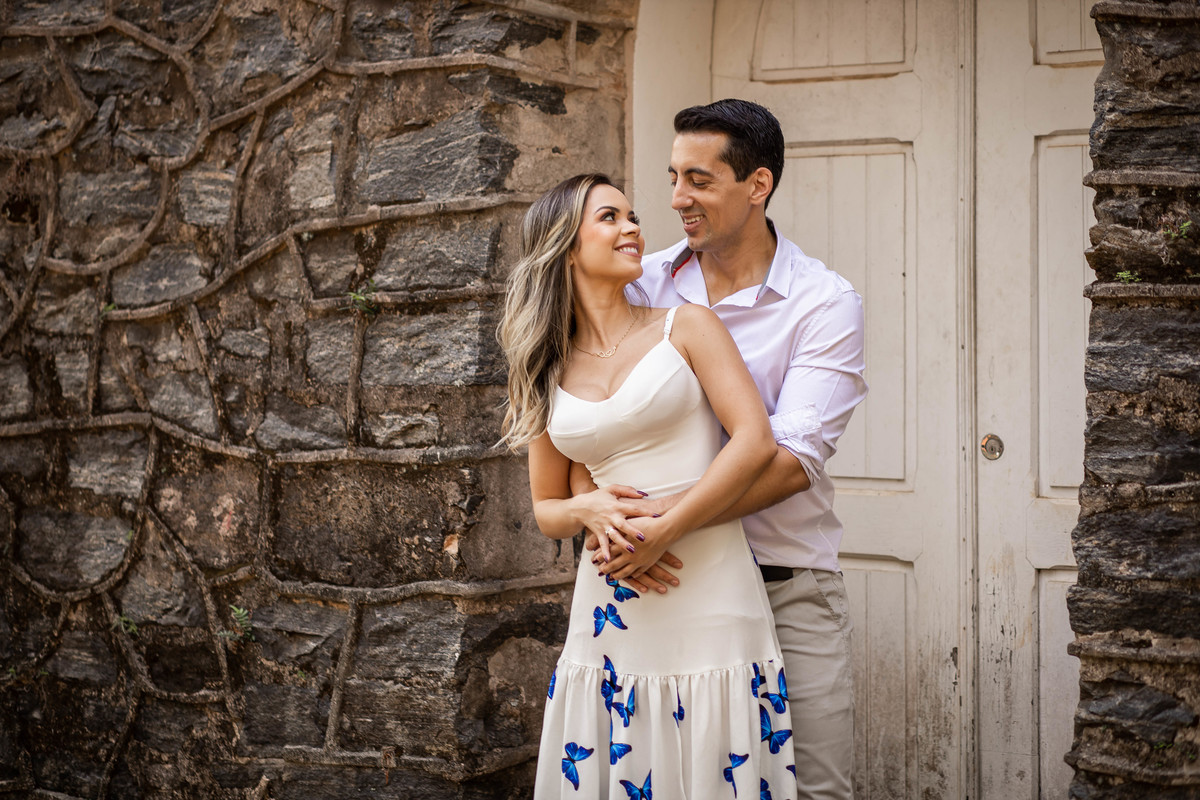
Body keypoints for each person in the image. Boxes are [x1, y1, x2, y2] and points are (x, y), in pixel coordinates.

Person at [577, 100, 867, 799]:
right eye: (674, 178)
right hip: (669, 584)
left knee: (814, 789)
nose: (677, 199)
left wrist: (661, 522)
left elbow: (791, 463)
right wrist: (592, 507)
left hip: (784, 584)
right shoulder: (641, 279)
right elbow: (585, 398)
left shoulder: (822, 303)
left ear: (757, 185)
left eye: (699, 181)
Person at [498, 173, 798, 798]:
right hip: (612, 597)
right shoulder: (542, 366)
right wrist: (589, 507)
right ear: (565, 245)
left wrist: (665, 529)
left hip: (709, 582)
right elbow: (548, 509)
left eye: (632, 215)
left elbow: (754, 441)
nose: (633, 227)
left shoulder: (685, 327)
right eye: (610, 217)